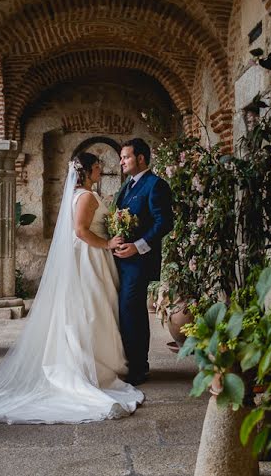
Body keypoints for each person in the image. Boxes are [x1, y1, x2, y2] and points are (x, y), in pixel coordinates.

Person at [0, 152, 143, 427]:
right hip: (89, 257)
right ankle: (90, 368)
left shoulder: (80, 194)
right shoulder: (85, 196)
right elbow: (81, 231)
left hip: (89, 257)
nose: (100, 171)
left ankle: (96, 362)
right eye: (97, 167)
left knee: (93, 308)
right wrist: (107, 244)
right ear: (87, 170)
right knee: (92, 309)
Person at [113, 138, 174, 385]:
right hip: (121, 260)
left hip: (139, 261)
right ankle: (129, 362)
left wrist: (137, 248)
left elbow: (164, 223)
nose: (121, 162)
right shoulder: (126, 187)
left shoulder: (156, 185)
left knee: (132, 311)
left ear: (140, 158)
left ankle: (139, 367)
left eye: (126, 157)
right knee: (126, 311)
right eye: (121, 158)